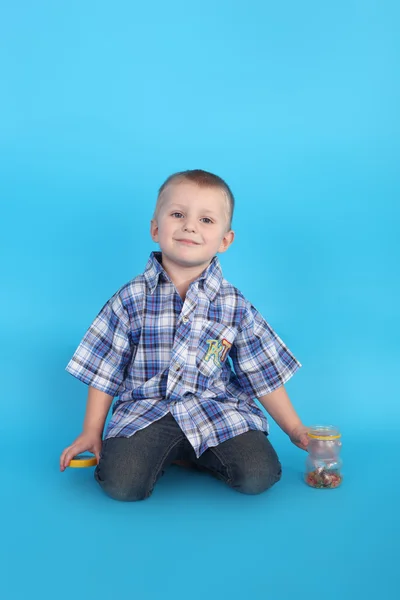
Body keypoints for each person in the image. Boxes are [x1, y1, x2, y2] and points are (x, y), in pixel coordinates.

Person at [60, 169, 309, 501]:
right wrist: (91, 431)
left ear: (225, 240)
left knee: (259, 475)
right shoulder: (131, 297)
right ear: (155, 228)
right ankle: (170, 450)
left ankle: (196, 453)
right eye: (178, 214)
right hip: (147, 411)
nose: (190, 226)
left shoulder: (233, 303)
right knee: (122, 484)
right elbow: (105, 368)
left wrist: (295, 428)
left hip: (217, 409)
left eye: (206, 220)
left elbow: (261, 371)